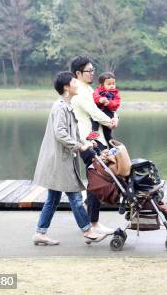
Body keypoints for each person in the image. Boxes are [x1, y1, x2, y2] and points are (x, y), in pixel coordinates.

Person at [32, 71, 106, 245]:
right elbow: (61, 134)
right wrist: (79, 146)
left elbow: (72, 132)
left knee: (53, 199)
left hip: (62, 159)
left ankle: (40, 233)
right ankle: (88, 230)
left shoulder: (67, 105)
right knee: (75, 196)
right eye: (74, 81)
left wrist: (86, 142)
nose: (77, 84)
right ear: (66, 87)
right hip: (59, 161)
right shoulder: (60, 107)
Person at [70, 55, 117, 235]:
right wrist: (110, 122)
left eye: (92, 70)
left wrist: (114, 118)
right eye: (89, 71)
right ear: (78, 73)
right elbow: (94, 113)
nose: (92, 73)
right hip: (88, 142)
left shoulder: (89, 89)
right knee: (98, 178)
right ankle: (93, 222)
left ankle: (92, 218)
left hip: (97, 140)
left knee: (99, 178)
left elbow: (106, 109)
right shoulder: (80, 91)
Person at [89, 71, 121, 144]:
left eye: (113, 83)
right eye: (109, 84)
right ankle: (94, 132)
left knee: (107, 132)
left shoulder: (115, 93)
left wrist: (109, 103)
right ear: (101, 85)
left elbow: (116, 104)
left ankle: (111, 142)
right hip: (99, 110)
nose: (112, 86)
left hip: (108, 112)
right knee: (95, 119)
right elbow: (95, 97)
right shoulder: (98, 90)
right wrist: (100, 100)